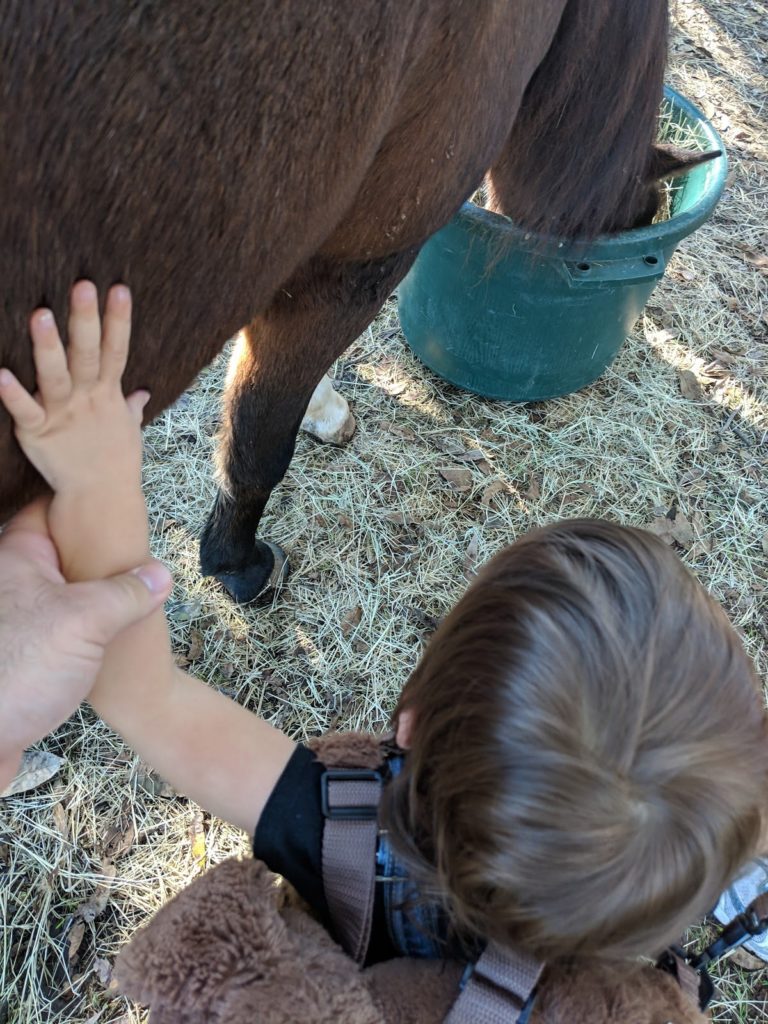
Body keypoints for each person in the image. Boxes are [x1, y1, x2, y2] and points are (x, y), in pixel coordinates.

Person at [1, 281, 766, 983]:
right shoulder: (639, 938)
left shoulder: (342, 832)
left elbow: (146, 696)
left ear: (412, 724)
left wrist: (96, 478)